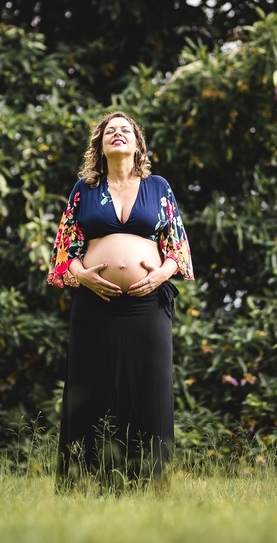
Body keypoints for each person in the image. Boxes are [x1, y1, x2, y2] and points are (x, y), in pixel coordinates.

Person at [47, 111, 194, 489]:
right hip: (95, 306)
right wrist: (81, 275)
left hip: (149, 306)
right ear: (99, 144)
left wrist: (160, 274)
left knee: (149, 389)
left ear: (137, 143)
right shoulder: (84, 189)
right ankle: (84, 482)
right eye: (110, 131)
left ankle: (147, 482)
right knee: (90, 389)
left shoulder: (158, 186)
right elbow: (67, 247)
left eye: (124, 130)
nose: (117, 134)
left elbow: (176, 244)